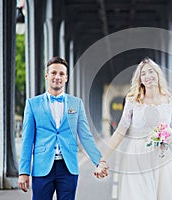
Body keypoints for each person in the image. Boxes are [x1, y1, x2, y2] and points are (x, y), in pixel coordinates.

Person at [94, 57, 172, 199]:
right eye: (143, 74)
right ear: (139, 79)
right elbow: (120, 131)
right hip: (136, 157)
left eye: (151, 72)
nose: (148, 76)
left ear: (158, 74)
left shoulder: (171, 101)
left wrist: (166, 138)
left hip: (162, 158)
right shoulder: (133, 100)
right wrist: (102, 160)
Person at [18, 56, 108, 200]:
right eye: (53, 73)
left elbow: (85, 136)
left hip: (68, 167)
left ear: (66, 78)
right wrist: (23, 172)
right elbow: (27, 140)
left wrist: (99, 161)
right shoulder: (32, 104)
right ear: (46, 75)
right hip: (42, 168)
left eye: (61, 74)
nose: (57, 77)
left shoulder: (76, 104)